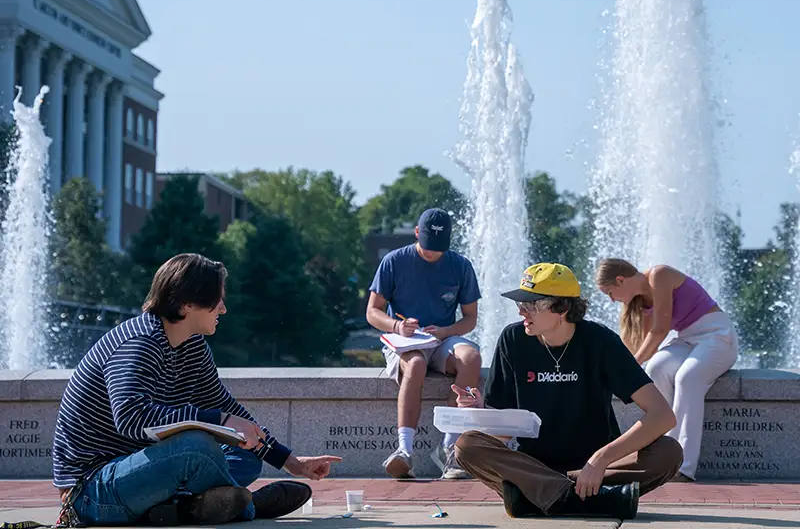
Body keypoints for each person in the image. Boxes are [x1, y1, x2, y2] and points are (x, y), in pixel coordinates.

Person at [52, 253, 342, 526]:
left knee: (247, 450)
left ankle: (182, 508)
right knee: (196, 446)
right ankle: (248, 506)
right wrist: (219, 421)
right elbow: (130, 418)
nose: (224, 308)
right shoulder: (139, 343)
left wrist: (289, 461)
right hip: (91, 490)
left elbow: (224, 406)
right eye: (217, 301)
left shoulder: (191, 345)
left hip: (146, 470)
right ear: (186, 305)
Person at [451, 262, 682, 520]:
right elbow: (503, 435)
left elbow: (663, 415)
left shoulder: (600, 341)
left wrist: (600, 459)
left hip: (594, 469)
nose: (521, 312)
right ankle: (588, 499)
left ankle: (540, 499)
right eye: (520, 304)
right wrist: (478, 412)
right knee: (466, 446)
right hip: (533, 468)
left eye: (531, 305)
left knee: (669, 452)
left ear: (561, 307)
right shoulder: (512, 340)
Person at [595, 258, 738, 482]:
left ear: (621, 280)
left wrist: (630, 366)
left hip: (717, 335)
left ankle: (684, 467)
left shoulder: (659, 275)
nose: (612, 300)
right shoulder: (640, 302)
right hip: (687, 339)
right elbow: (643, 347)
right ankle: (665, 456)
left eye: (610, 293)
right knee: (656, 367)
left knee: (688, 378)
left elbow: (660, 331)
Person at [366, 207, 482, 479]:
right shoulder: (394, 261)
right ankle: (404, 451)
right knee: (416, 364)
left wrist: (444, 332)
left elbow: (470, 319)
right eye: (428, 245)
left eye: (439, 249)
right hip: (405, 340)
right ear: (416, 233)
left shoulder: (461, 266)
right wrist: (397, 326)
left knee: (472, 358)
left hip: (441, 337)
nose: (432, 253)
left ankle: (450, 448)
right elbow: (372, 312)